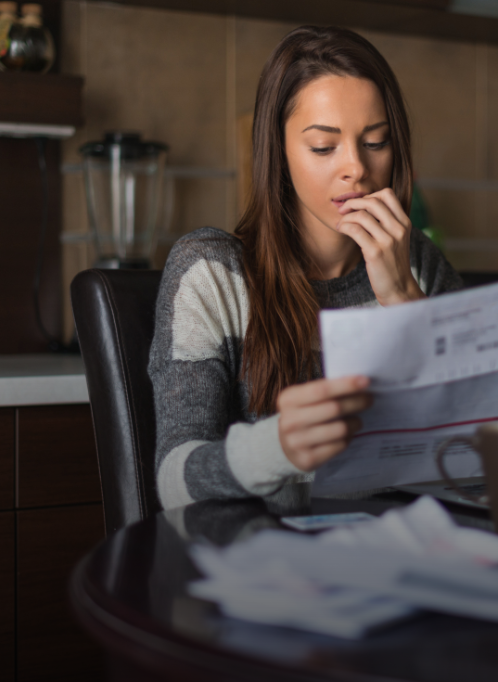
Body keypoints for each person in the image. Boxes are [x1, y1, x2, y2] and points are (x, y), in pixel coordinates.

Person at [149, 26, 462, 509]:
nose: (356, 168)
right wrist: (277, 448)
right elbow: (174, 483)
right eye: (323, 146)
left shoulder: (417, 262)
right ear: (279, 152)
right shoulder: (212, 273)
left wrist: (404, 298)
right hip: (263, 548)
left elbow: (473, 449)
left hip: (399, 541)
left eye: (375, 142)